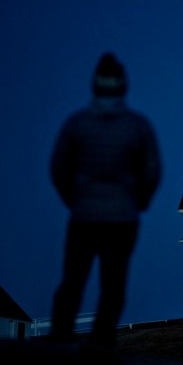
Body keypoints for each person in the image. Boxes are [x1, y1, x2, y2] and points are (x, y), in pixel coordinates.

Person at [49, 52, 161, 348]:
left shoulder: (77, 125)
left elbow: (58, 168)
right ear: (124, 85)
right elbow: (152, 170)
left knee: (73, 282)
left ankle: (59, 341)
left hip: (84, 216)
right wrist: (140, 201)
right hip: (122, 218)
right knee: (113, 286)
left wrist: (74, 199)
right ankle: (100, 346)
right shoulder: (138, 127)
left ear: (94, 85)